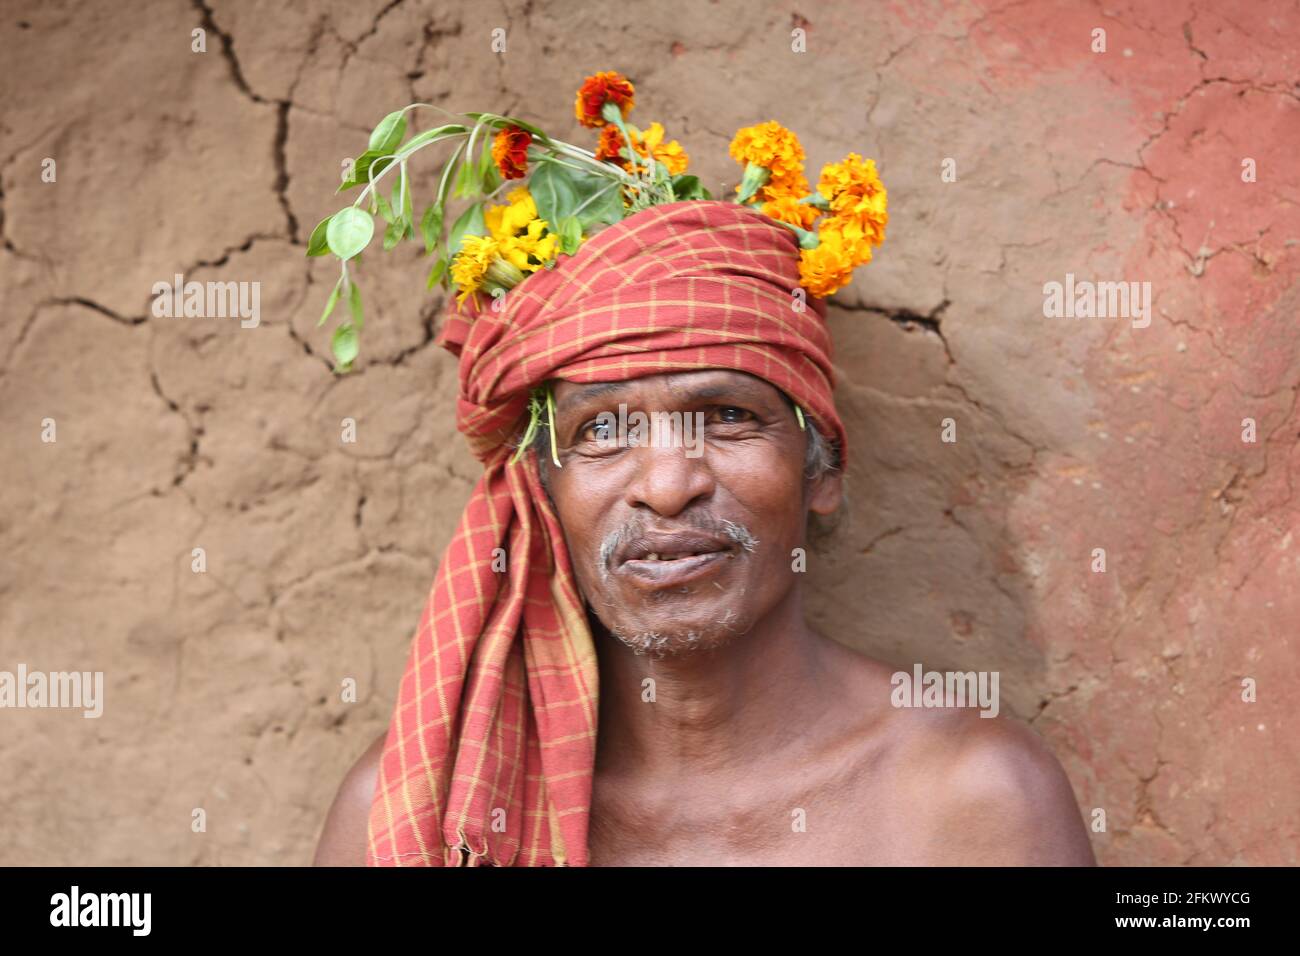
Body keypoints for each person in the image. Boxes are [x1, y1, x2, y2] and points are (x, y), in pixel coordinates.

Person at [313, 200, 1095, 867]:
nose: (666, 485)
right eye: (603, 430)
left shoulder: (969, 804)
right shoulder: (419, 812)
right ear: (540, 491)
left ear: (820, 469)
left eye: (727, 417)